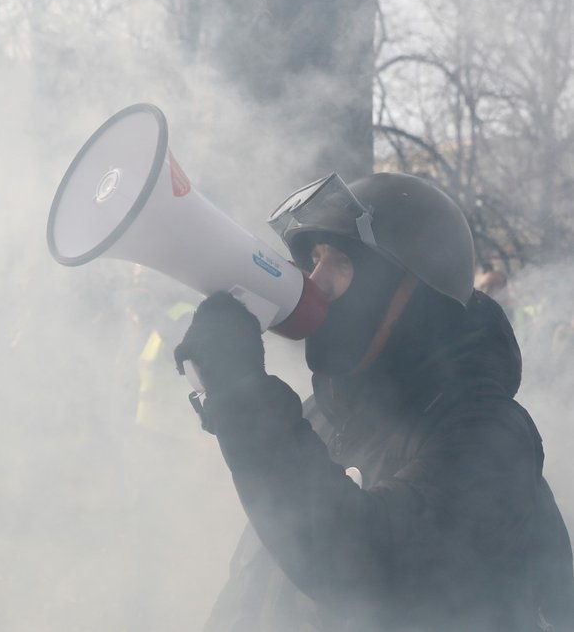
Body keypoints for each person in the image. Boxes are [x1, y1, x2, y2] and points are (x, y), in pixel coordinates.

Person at [174, 173, 574, 632]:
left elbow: (376, 569)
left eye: (341, 261)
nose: (316, 282)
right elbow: (258, 585)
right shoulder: (318, 414)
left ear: (415, 292)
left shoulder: (490, 434)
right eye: (316, 259)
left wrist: (245, 400)